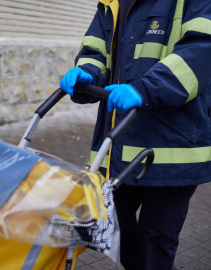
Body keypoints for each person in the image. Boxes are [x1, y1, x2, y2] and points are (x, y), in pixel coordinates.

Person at [60, 0, 211, 269]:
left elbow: (201, 51)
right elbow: (96, 50)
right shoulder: (110, 3)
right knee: (115, 229)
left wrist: (148, 88)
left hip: (173, 147)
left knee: (158, 239)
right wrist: (88, 73)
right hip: (119, 144)